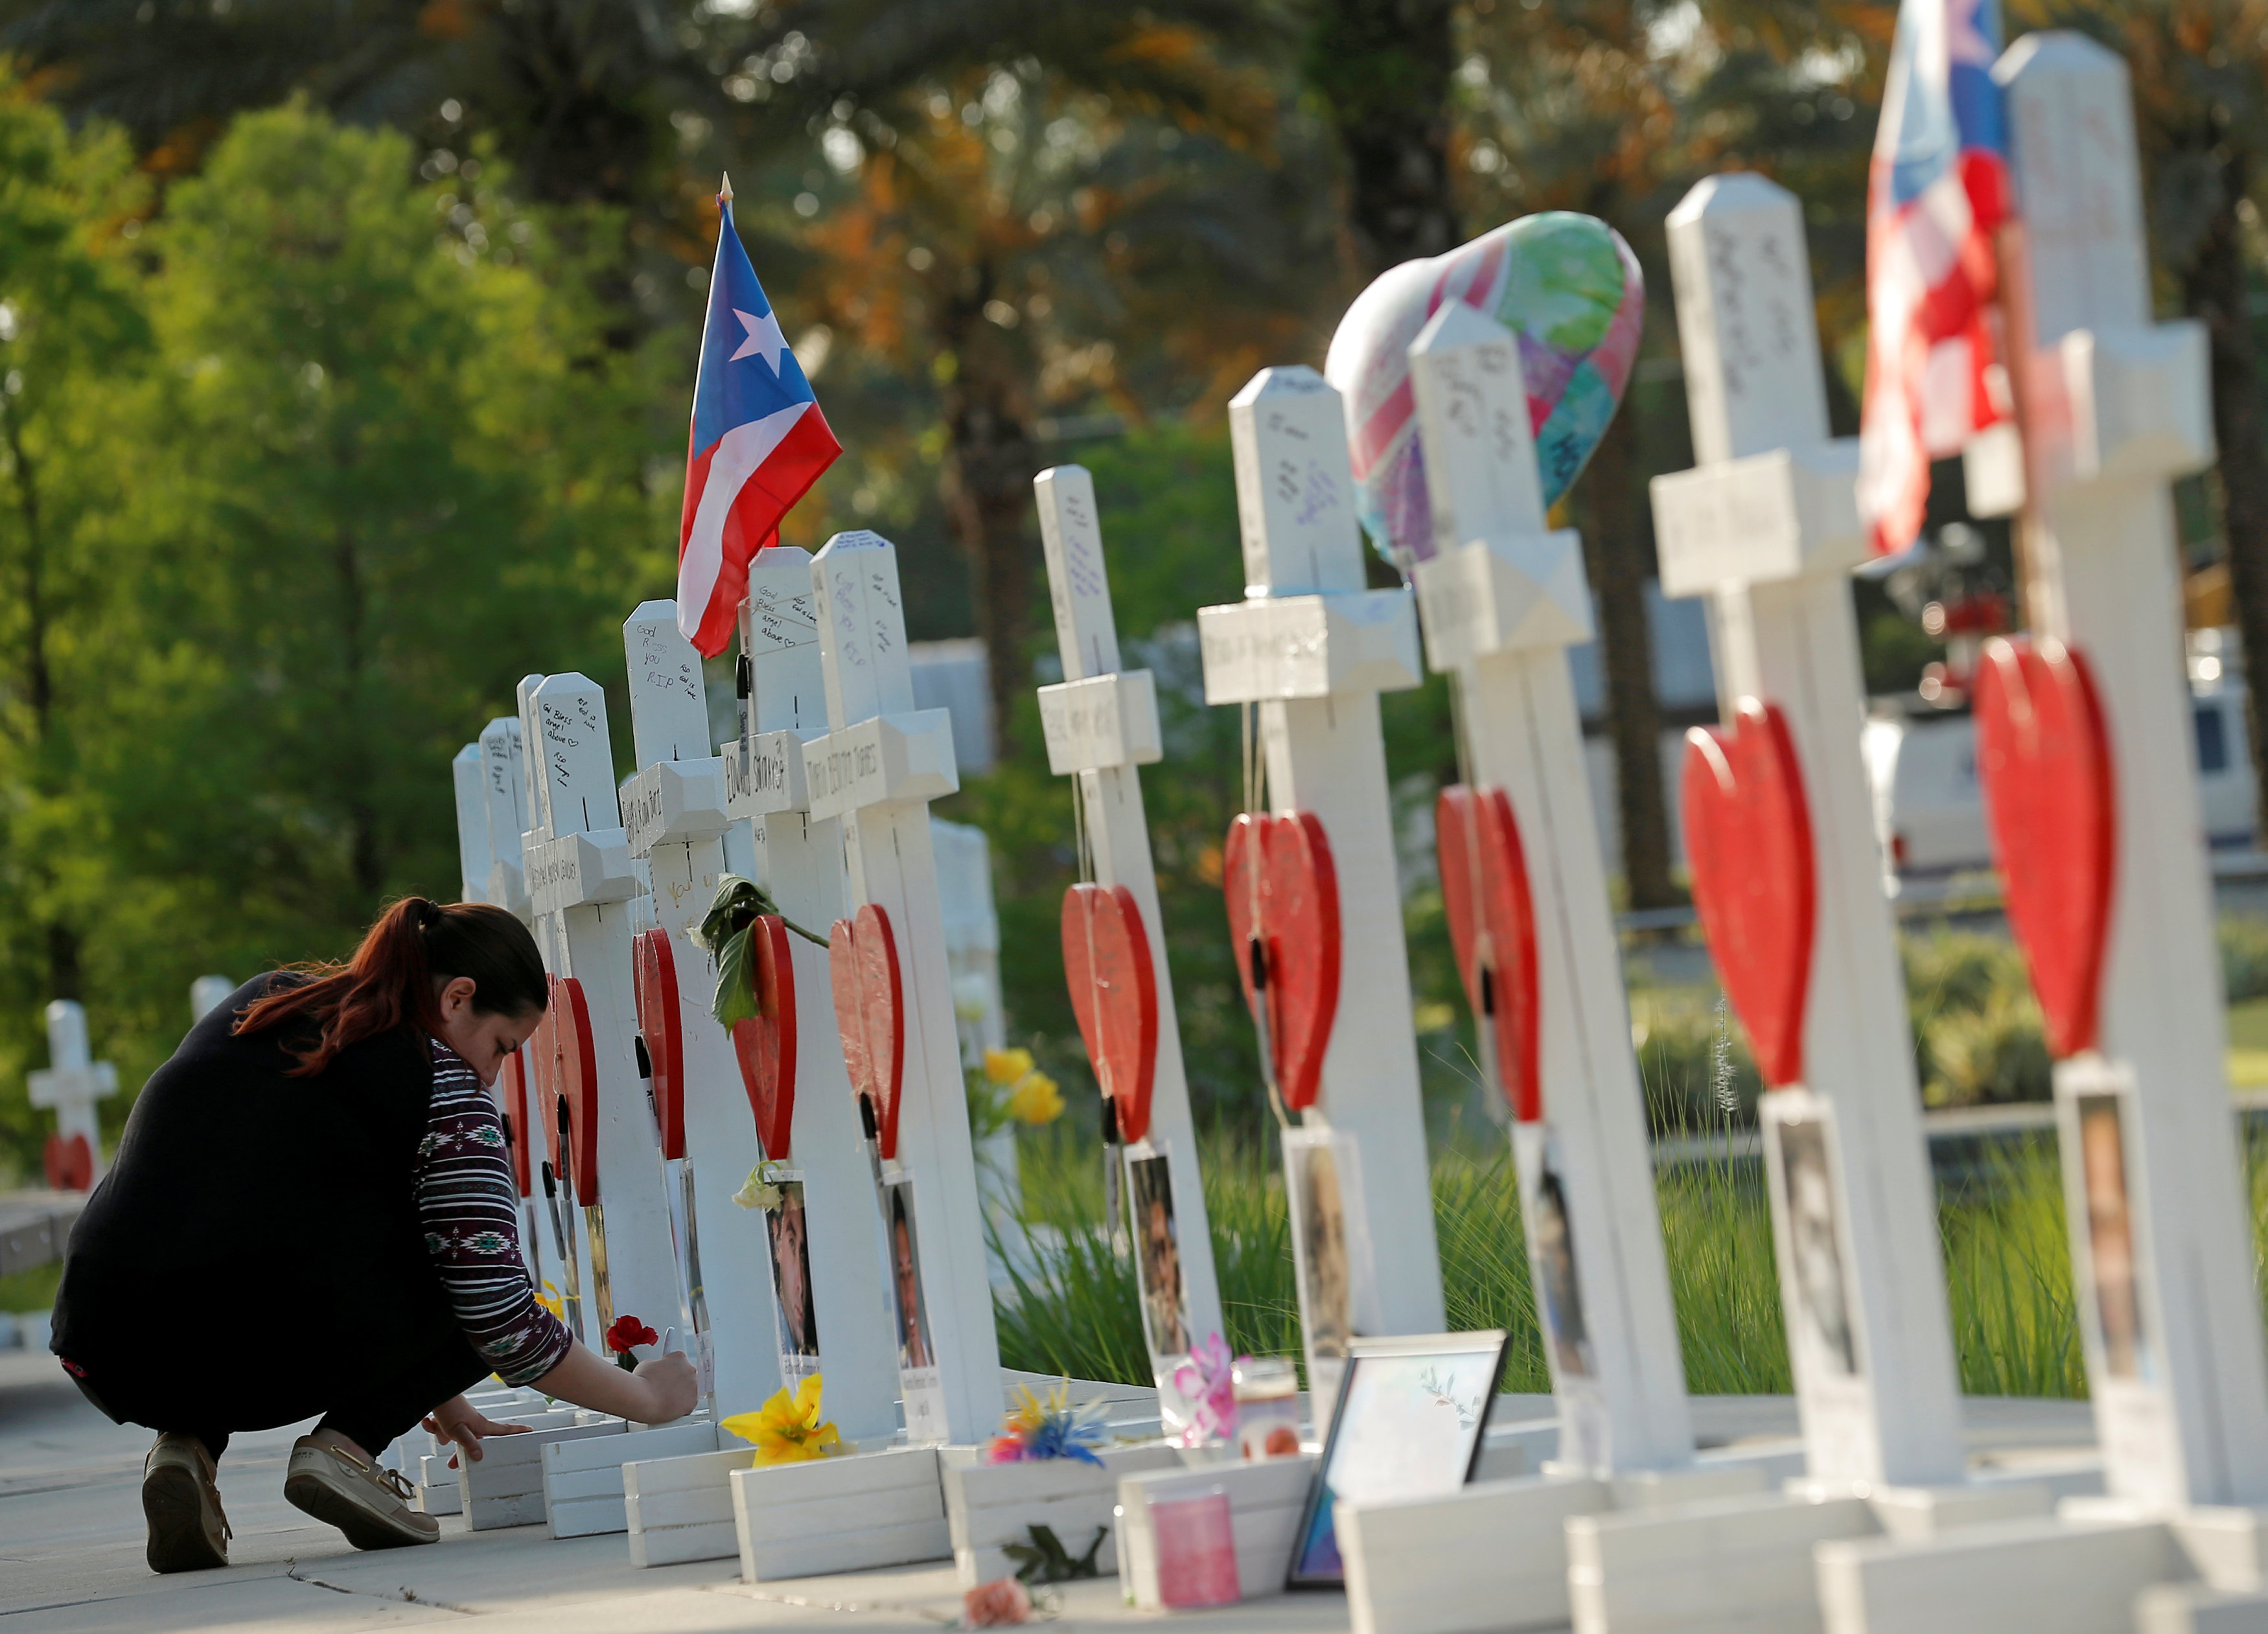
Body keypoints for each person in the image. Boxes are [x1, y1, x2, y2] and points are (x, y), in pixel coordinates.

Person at [50, 899, 698, 1575]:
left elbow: (256, 1211)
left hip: (104, 1343)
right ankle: (346, 1449)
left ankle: (185, 1446)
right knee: (480, 1267)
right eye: (503, 1046)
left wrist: (429, 1389)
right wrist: (647, 1398)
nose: (492, 1074)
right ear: (457, 997)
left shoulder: (269, 1000)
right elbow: (499, 1317)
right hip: (245, 1343)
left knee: (219, 1260)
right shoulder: (447, 1085)